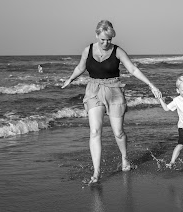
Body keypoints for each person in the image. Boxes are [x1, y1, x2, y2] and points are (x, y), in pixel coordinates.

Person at [61, 20, 161, 184]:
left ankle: (124, 158)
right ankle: (96, 172)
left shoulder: (118, 51)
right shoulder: (88, 50)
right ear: (96, 36)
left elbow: (133, 69)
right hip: (93, 90)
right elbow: (80, 67)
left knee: (118, 133)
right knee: (94, 132)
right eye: (103, 40)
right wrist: (70, 79)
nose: (106, 43)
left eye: (109, 39)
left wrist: (151, 85)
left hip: (114, 91)